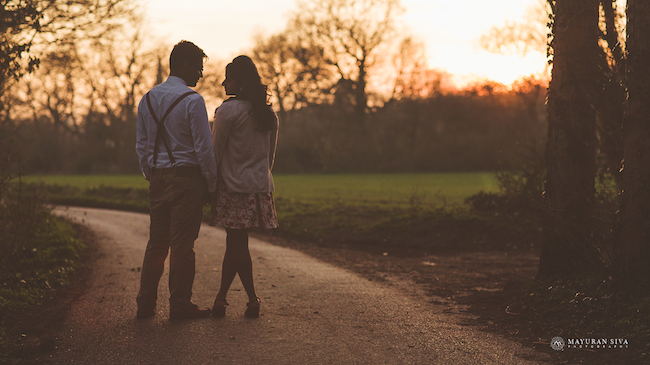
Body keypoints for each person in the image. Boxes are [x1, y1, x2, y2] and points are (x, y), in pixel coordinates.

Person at [135, 40, 218, 320]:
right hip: (187, 179)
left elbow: (143, 146)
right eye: (199, 67)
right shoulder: (193, 101)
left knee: (156, 244)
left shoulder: (147, 99)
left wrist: (153, 174)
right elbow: (203, 149)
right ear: (185, 65)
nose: (201, 74)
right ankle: (179, 305)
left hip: (158, 178)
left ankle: (145, 305)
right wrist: (211, 184)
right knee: (183, 245)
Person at [209, 55, 279, 318]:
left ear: (240, 82)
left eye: (229, 78)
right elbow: (270, 157)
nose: (224, 83)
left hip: (233, 187)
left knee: (237, 243)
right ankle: (220, 298)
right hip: (259, 187)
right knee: (235, 243)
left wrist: (210, 186)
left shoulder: (227, 111)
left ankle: (252, 298)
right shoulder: (268, 113)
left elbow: (214, 154)